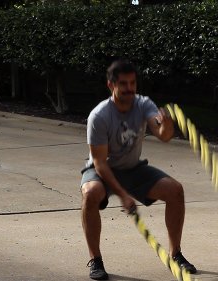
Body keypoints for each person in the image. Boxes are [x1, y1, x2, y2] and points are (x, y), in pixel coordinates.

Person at [80, 59, 197, 280]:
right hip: (102, 170)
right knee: (90, 194)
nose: (129, 88)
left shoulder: (143, 104)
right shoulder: (99, 116)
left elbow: (162, 135)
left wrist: (167, 124)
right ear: (111, 85)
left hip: (132, 168)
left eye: (132, 83)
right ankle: (95, 260)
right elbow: (100, 162)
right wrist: (123, 195)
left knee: (175, 190)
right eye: (123, 84)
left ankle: (176, 255)